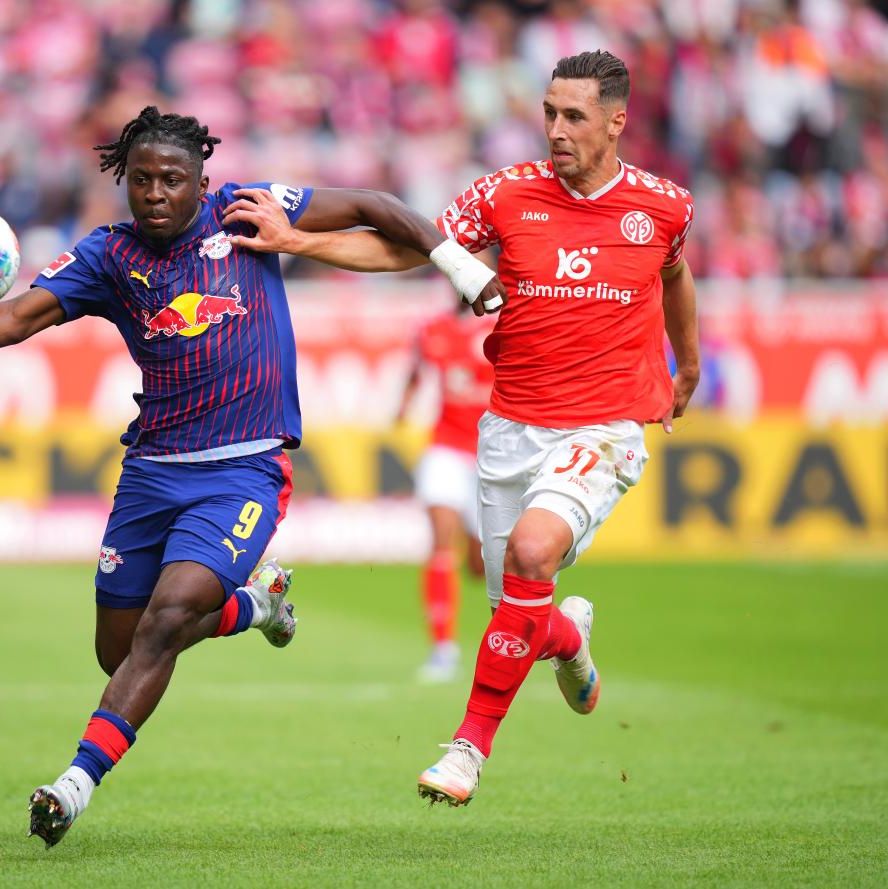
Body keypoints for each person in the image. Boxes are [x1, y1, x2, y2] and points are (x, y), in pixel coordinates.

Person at [0, 107, 490, 846]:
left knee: (166, 621)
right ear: (125, 182)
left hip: (244, 467)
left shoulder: (247, 212)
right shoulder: (108, 255)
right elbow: (14, 320)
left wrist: (456, 263)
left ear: (202, 180)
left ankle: (74, 784)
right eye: (142, 180)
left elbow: (373, 205)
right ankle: (255, 607)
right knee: (122, 650)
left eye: (172, 179)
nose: (156, 193)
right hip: (151, 471)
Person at [222, 50, 699, 808]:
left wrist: (688, 364)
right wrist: (298, 242)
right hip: (511, 428)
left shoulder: (663, 205)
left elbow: (673, 273)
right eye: (549, 112)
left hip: (604, 425)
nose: (556, 129)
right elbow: (404, 249)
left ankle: (467, 749)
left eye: (574, 116)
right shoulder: (505, 194)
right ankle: (568, 639)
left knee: (534, 553)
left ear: (616, 122)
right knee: (518, 612)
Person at [397, 307, 494, 683]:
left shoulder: (501, 324)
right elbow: (415, 370)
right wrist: (404, 405)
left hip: (492, 453)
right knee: (440, 542)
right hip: (446, 448)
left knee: (481, 565)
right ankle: (442, 650)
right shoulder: (431, 328)